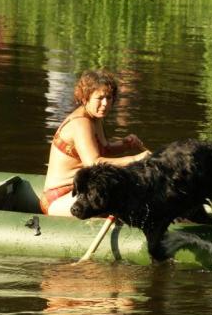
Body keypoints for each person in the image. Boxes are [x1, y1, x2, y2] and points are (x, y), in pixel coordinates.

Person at [41, 69, 150, 216]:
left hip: (82, 190)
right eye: (100, 98)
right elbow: (94, 163)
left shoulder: (95, 117)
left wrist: (125, 145)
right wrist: (135, 159)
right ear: (85, 98)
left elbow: (105, 149)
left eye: (109, 98)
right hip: (61, 197)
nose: (105, 103)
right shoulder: (81, 123)